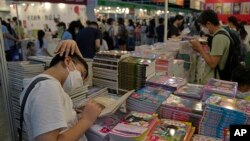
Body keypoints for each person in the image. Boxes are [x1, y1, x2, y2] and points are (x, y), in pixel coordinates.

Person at [20, 42, 104, 141]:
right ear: (67, 61)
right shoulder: (48, 88)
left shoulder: (41, 84)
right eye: (81, 74)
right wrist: (87, 120)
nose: (81, 82)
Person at [190, 10, 230, 84]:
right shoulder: (221, 33)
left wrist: (200, 48)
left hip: (215, 82)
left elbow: (212, 63)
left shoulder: (219, 37)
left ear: (208, 23)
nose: (202, 29)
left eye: (202, 26)